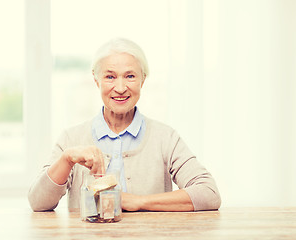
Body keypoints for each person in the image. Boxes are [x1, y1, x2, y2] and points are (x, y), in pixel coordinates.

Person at [28, 38, 221, 212]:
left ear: (142, 80)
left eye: (130, 76)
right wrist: (66, 160)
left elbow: (209, 194)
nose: (120, 88)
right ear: (96, 80)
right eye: (110, 77)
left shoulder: (165, 138)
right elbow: (38, 203)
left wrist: (137, 202)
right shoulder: (71, 139)